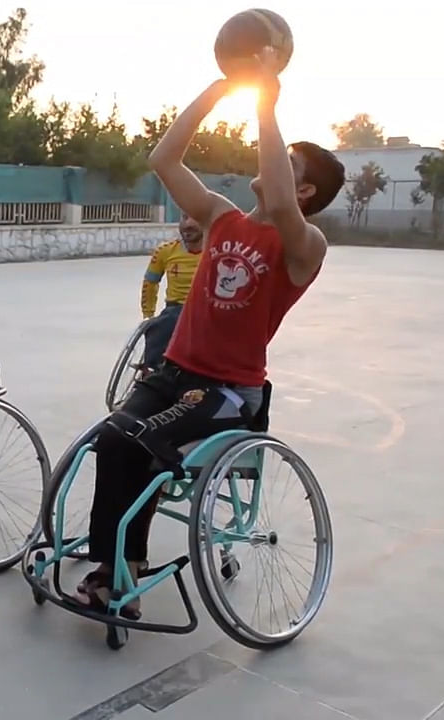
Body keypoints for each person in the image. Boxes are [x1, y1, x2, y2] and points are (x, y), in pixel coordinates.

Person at [78, 50, 345, 618]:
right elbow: (163, 157)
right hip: (173, 372)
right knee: (111, 438)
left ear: (305, 194)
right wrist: (220, 90)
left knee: (139, 442)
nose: (272, 162)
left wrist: (267, 101)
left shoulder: (305, 247)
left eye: (287, 163)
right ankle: (117, 563)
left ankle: (117, 571)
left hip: (225, 392)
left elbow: (276, 198)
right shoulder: (222, 215)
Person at [138, 213, 203, 370]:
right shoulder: (165, 251)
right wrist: (148, 315)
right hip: (176, 309)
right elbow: (150, 283)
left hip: (206, 309)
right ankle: (152, 371)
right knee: (162, 324)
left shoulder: (218, 251)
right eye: (184, 218)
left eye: (194, 218)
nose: (187, 224)